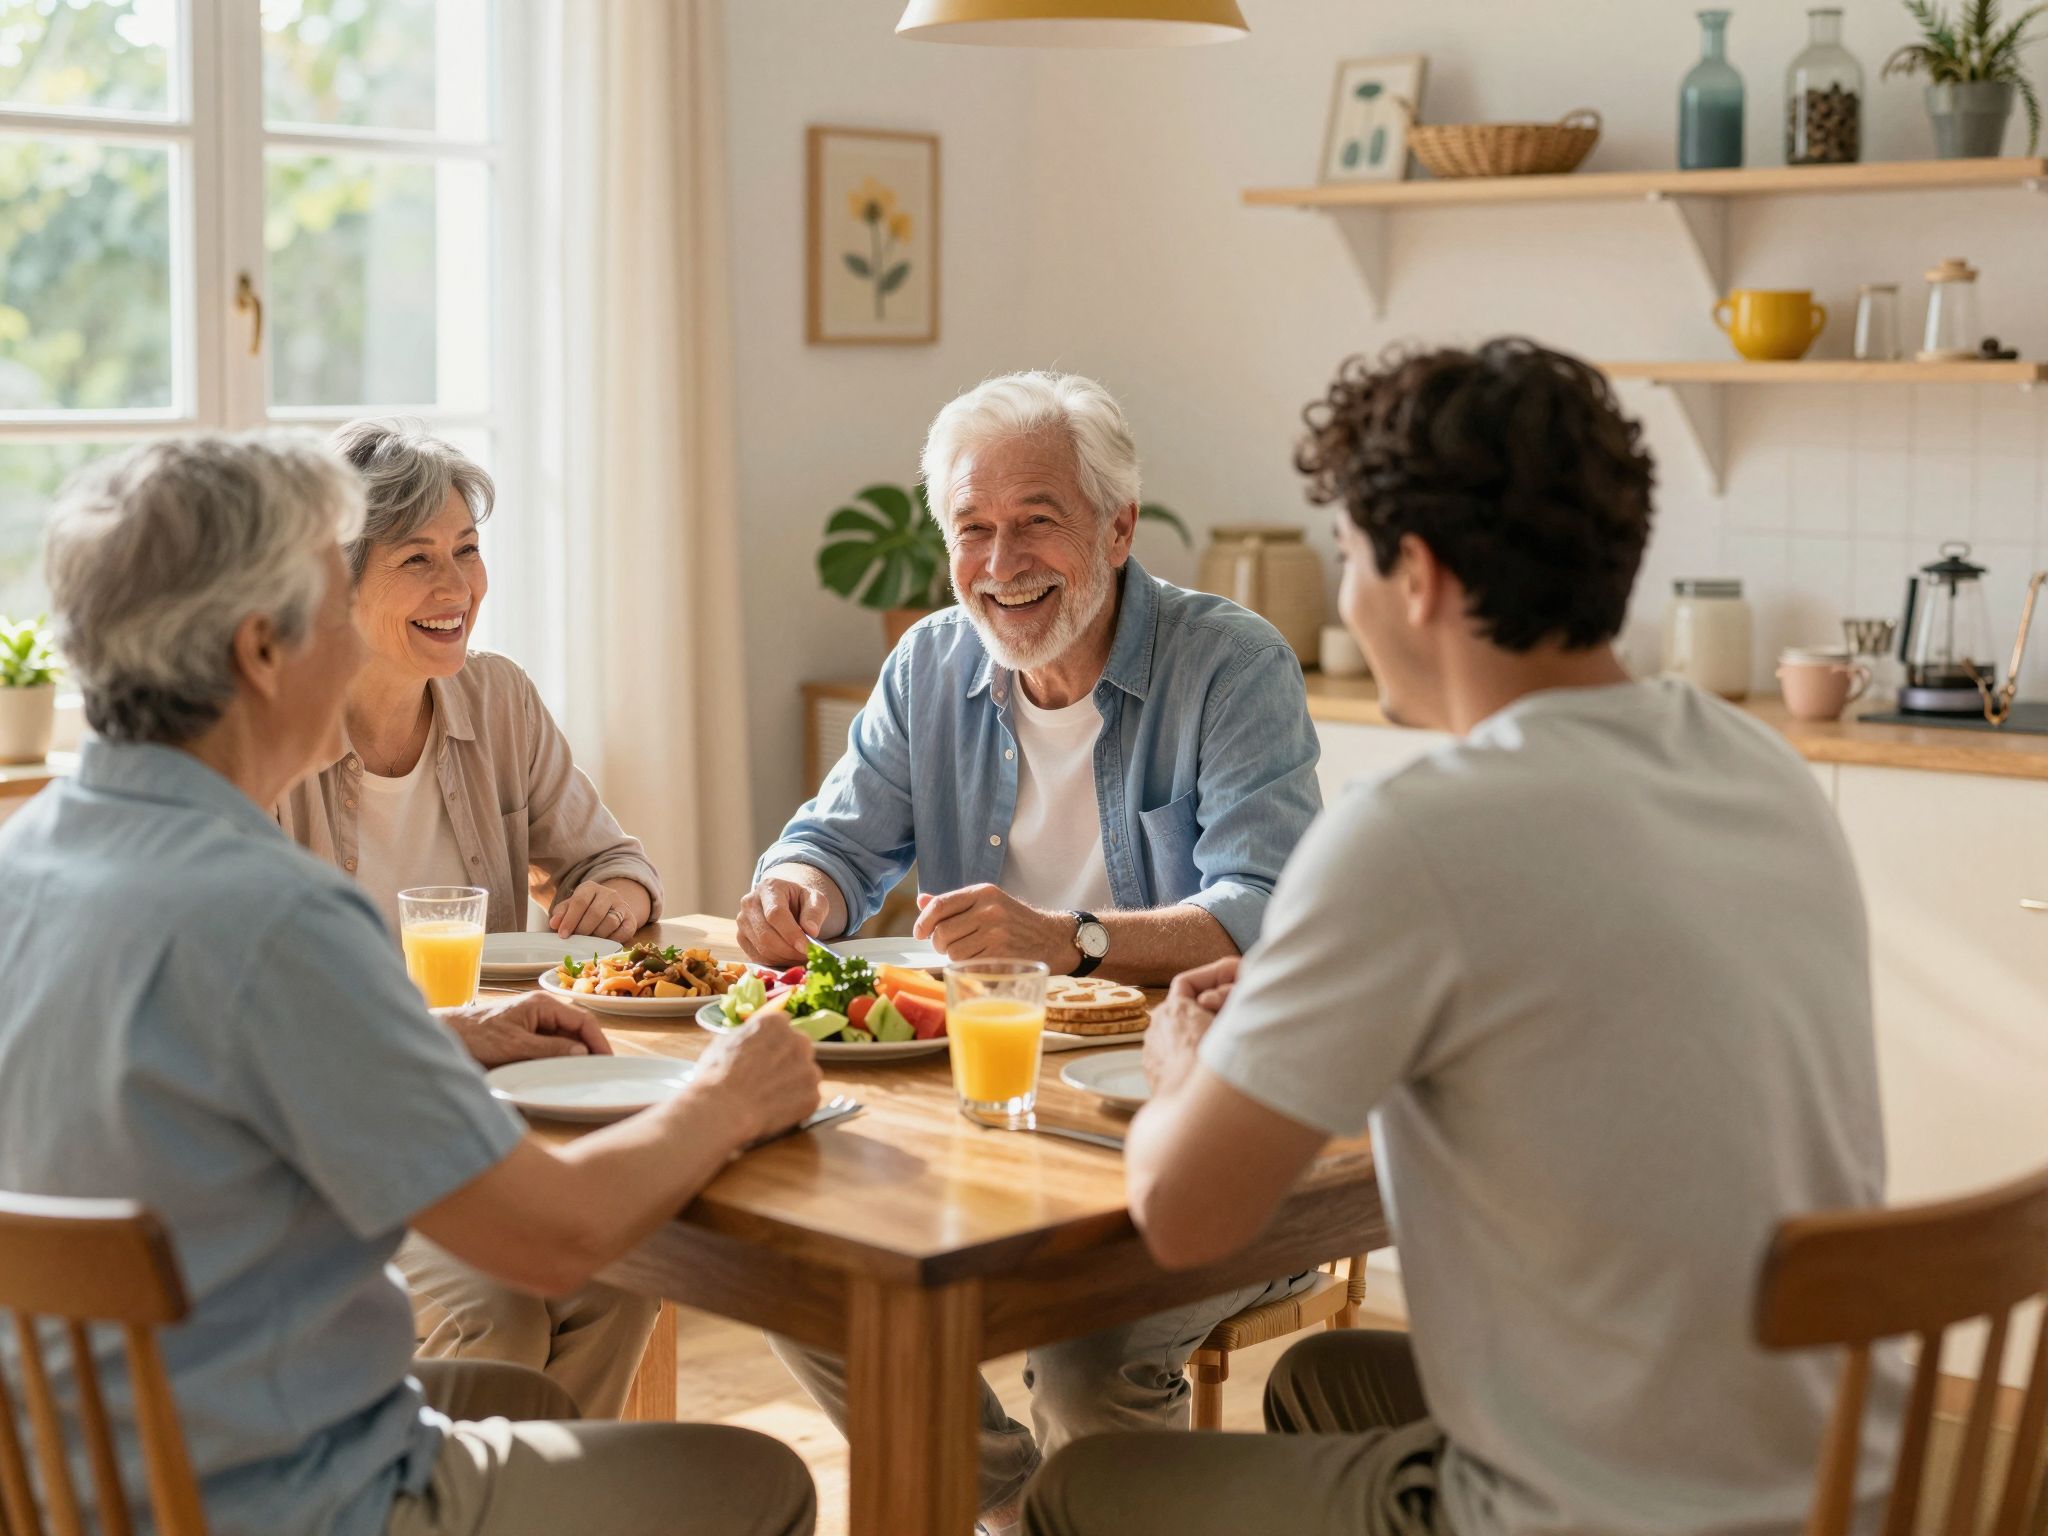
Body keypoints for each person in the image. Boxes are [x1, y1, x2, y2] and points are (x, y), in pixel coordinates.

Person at [1022, 339, 1906, 1536]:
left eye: (1345, 558)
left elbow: (1184, 1219)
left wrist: (1181, 1070)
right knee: (1330, 1381)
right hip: (1840, 1475)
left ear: (1419, 576)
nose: (1343, 598)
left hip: (1609, 1514)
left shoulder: (1413, 837)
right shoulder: (1752, 762)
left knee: (1078, 1493)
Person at [0, 434, 823, 1536]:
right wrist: (729, 1091)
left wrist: (442, 1035)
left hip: (89, 1472)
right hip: (289, 1498)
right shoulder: (276, 911)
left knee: (525, 1401)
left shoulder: (29, 854)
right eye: (330, 610)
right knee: (762, 1482)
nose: (351, 651)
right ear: (260, 649)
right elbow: (558, 1236)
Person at [738, 371, 1325, 1532]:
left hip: (1195, 1121)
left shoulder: (1229, 664)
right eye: (972, 529)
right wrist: (794, 888)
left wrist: (1074, 942)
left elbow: (1267, 906)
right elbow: (832, 840)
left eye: (1036, 520)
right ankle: (1026, 1513)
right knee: (808, 1282)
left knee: (1088, 1357)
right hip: (988, 1116)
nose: (999, 560)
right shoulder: (927, 665)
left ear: (1116, 526)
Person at [277, 419, 660, 1417]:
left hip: (490, 1126)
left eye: (467, 550)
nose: (458, 588)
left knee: (620, 1269)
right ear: (336, 584)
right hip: (340, 1141)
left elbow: (611, 858)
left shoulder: (496, 701)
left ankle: (533, 1506)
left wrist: (618, 894)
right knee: (499, 1315)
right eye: (417, 560)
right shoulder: (273, 740)